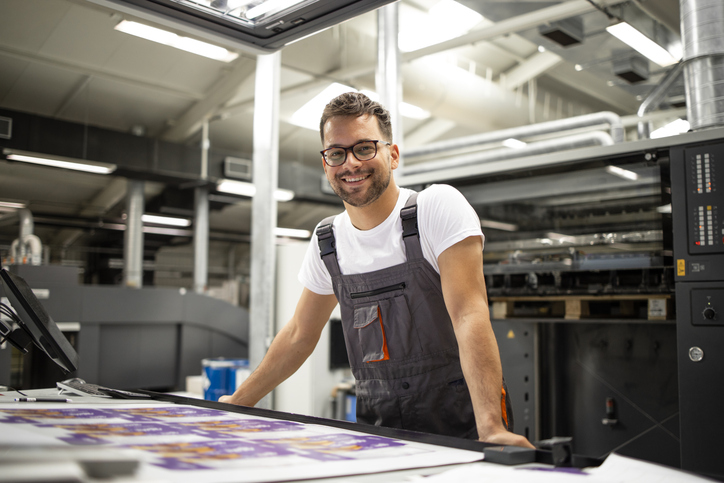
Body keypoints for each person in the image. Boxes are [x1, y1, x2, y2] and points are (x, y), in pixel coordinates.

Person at [220, 92, 533, 448]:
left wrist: (490, 426)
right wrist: (238, 401)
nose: (350, 163)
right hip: (378, 431)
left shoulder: (435, 208)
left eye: (364, 148)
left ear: (392, 154)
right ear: (325, 164)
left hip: (461, 425)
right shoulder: (328, 241)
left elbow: (469, 315)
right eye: (336, 153)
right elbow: (299, 335)